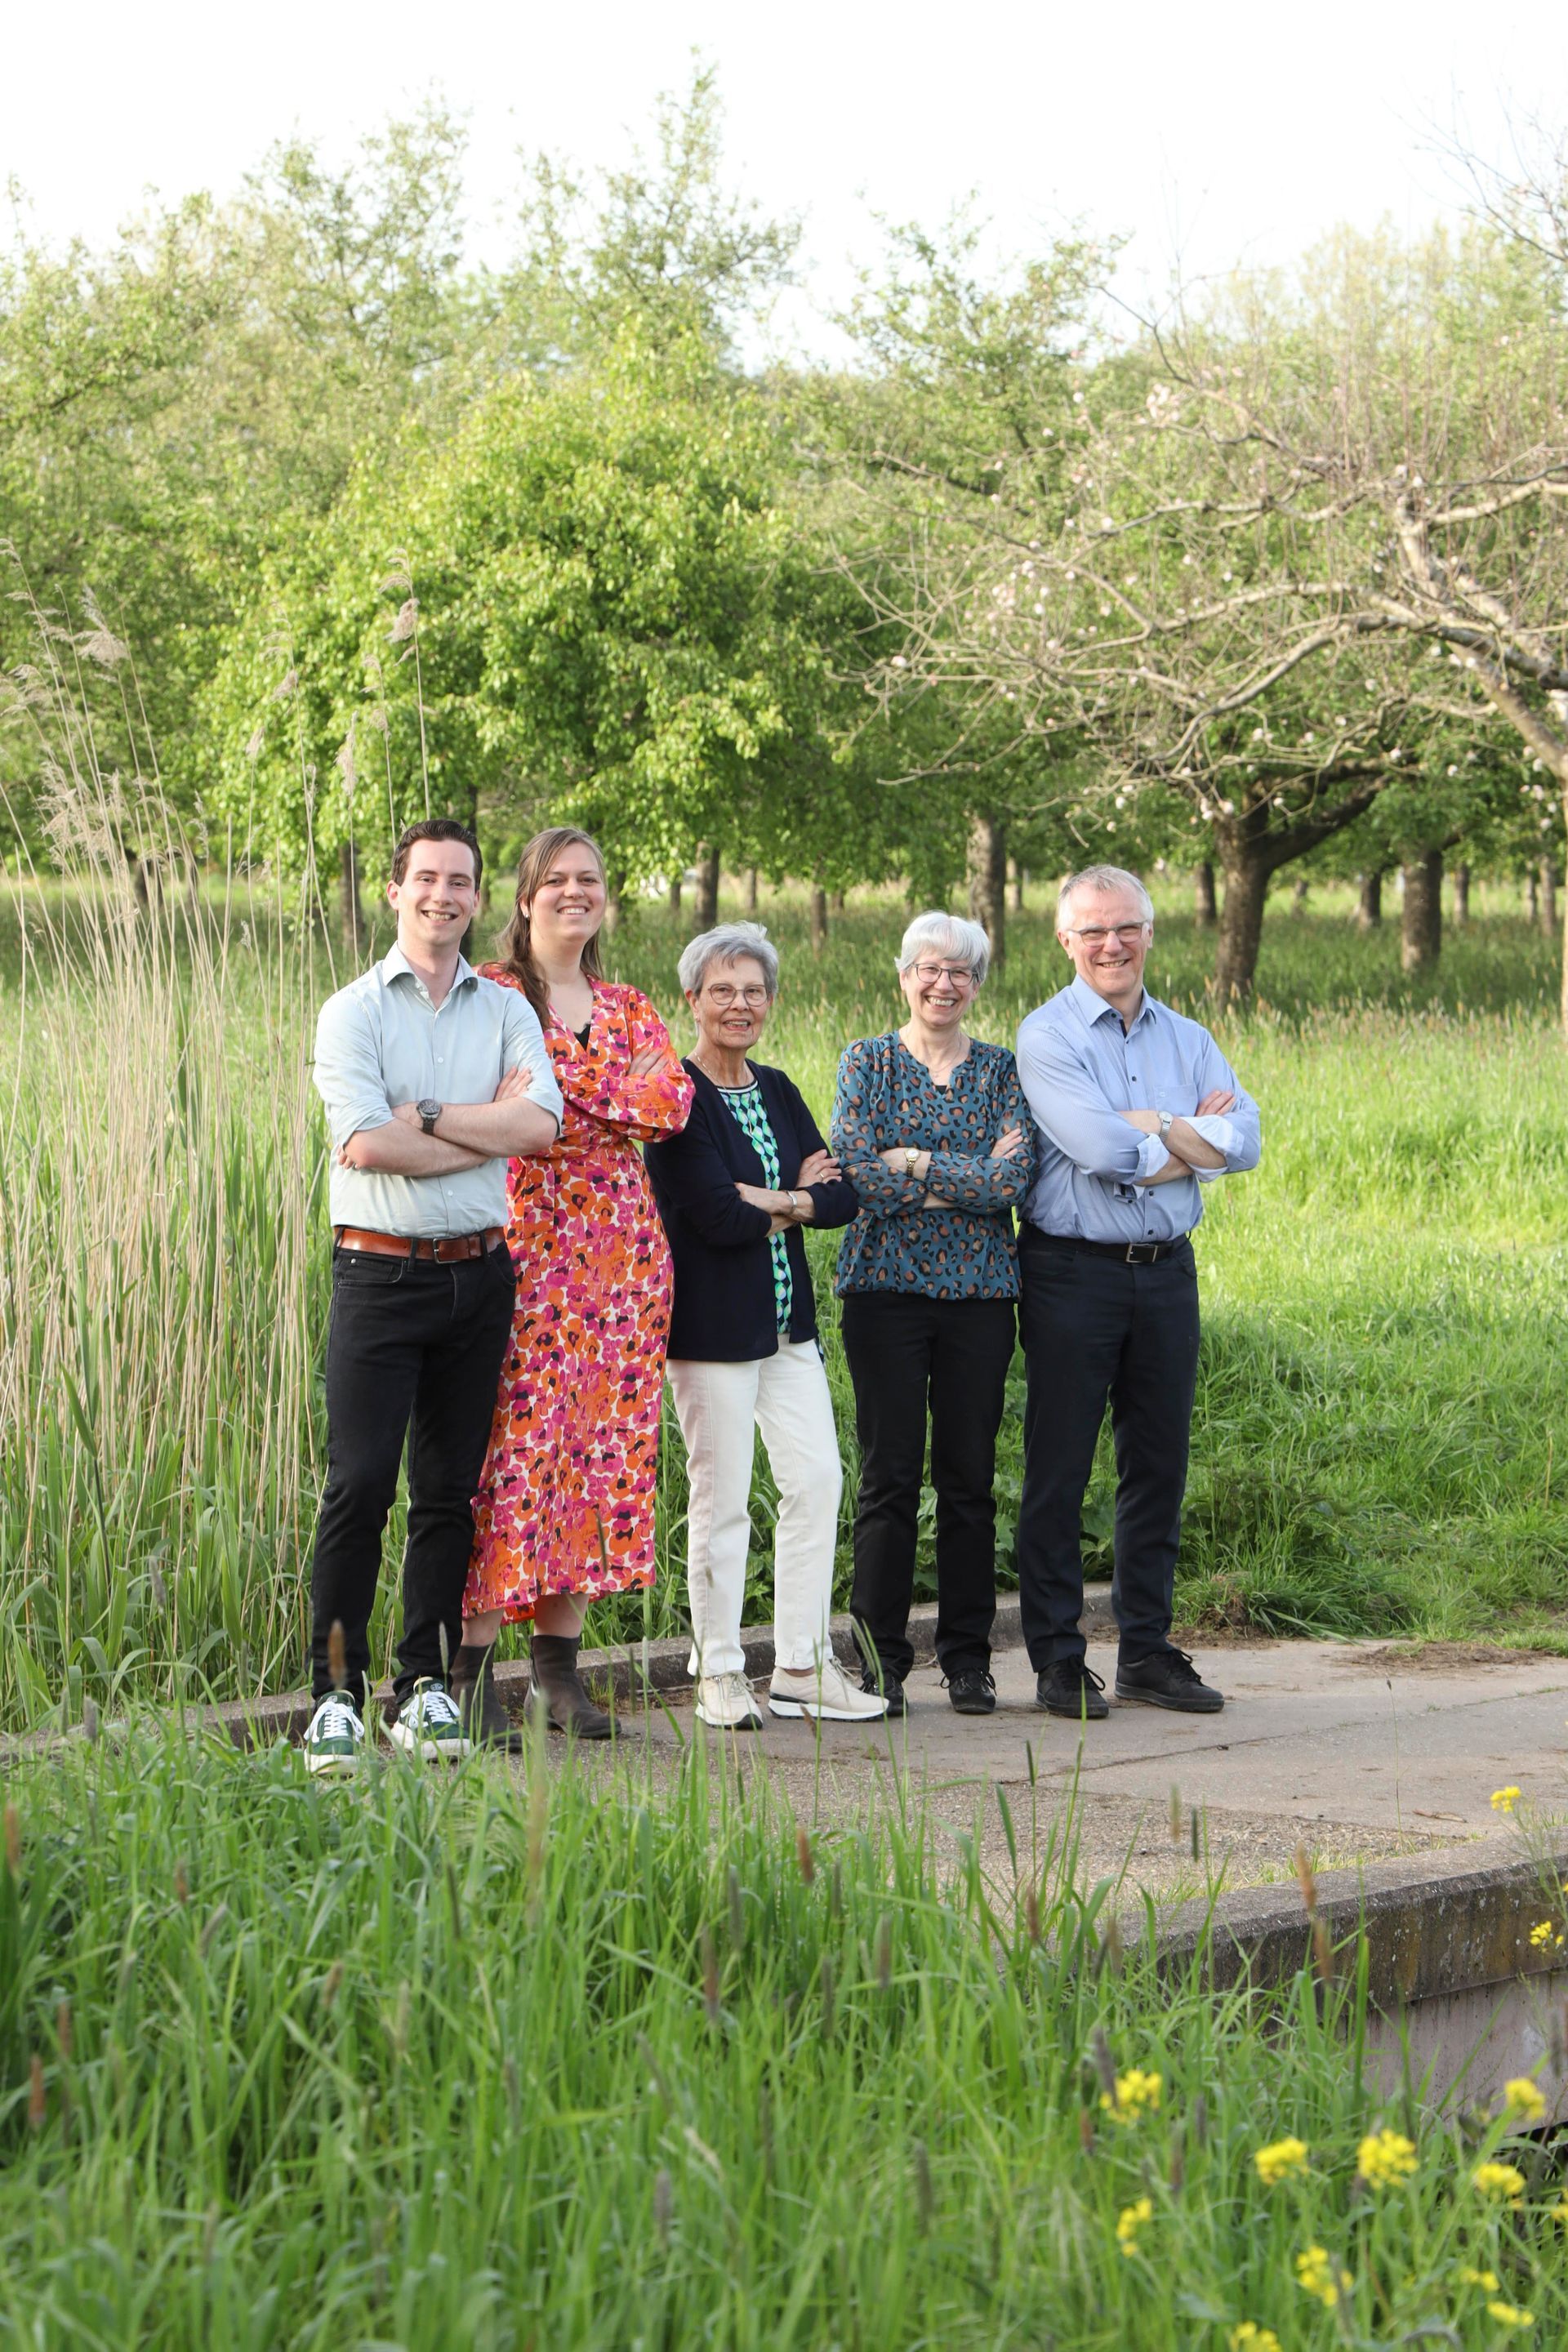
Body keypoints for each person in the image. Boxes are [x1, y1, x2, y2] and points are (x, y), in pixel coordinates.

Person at [303, 817, 564, 1775]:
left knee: (447, 1493)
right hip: (379, 1272)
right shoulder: (353, 1012)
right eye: (426, 879)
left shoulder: (503, 1010)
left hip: (480, 1272)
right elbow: (365, 1144)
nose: (443, 896)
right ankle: (334, 1697)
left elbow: (540, 1126)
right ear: (394, 890)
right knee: (361, 1483)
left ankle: (423, 1690)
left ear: (477, 897)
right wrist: (481, 1129)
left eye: (460, 882)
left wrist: (427, 1116)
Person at [457, 826, 693, 1743]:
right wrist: (574, 1096)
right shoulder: (491, 991)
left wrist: (554, 1087)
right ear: (523, 896)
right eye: (555, 880)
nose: (573, 893)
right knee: (513, 1457)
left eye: (589, 880)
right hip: (528, 1250)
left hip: (626, 1266)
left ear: (607, 897)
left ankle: (560, 1673)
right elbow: (507, 1111)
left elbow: (670, 1103)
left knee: (599, 1462)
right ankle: (471, 1672)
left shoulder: (629, 1002)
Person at [1013, 863, 1261, 1722]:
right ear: (1065, 942)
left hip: (1166, 1274)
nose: (1111, 944)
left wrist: (1155, 1128)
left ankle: (1148, 1654)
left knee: (1156, 1466)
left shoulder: (1187, 1036)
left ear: (1150, 933)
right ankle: (1056, 1660)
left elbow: (1250, 1140)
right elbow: (1100, 1152)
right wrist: (1187, 1132)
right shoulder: (1045, 1036)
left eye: (1126, 928)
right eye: (1092, 932)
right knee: (1061, 1467)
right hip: (1070, 1274)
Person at [647, 924, 885, 1730]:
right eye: (723, 990)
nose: (740, 1005)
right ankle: (716, 1671)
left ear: (771, 1001)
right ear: (693, 1002)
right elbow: (711, 1214)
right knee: (722, 1501)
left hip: (789, 1330)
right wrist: (793, 1194)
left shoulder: (778, 1088)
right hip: (711, 1332)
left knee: (817, 1482)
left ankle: (800, 1665)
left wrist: (769, 1198)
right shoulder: (678, 1098)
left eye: (753, 991)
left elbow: (844, 1197)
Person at [831, 912, 1033, 1719]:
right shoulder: (867, 1062)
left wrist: (909, 1161)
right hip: (884, 1294)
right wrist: (962, 1176)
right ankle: (879, 1663)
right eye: (928, 967)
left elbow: (1011, 1184)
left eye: (961, 971)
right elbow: (855, 1171)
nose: (943, 983)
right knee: (887, 1480)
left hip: (981, 1300)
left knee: (968, 1482)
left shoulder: (1000, 1070)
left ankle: (968, 1661)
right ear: (903, 974)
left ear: (977, 984)